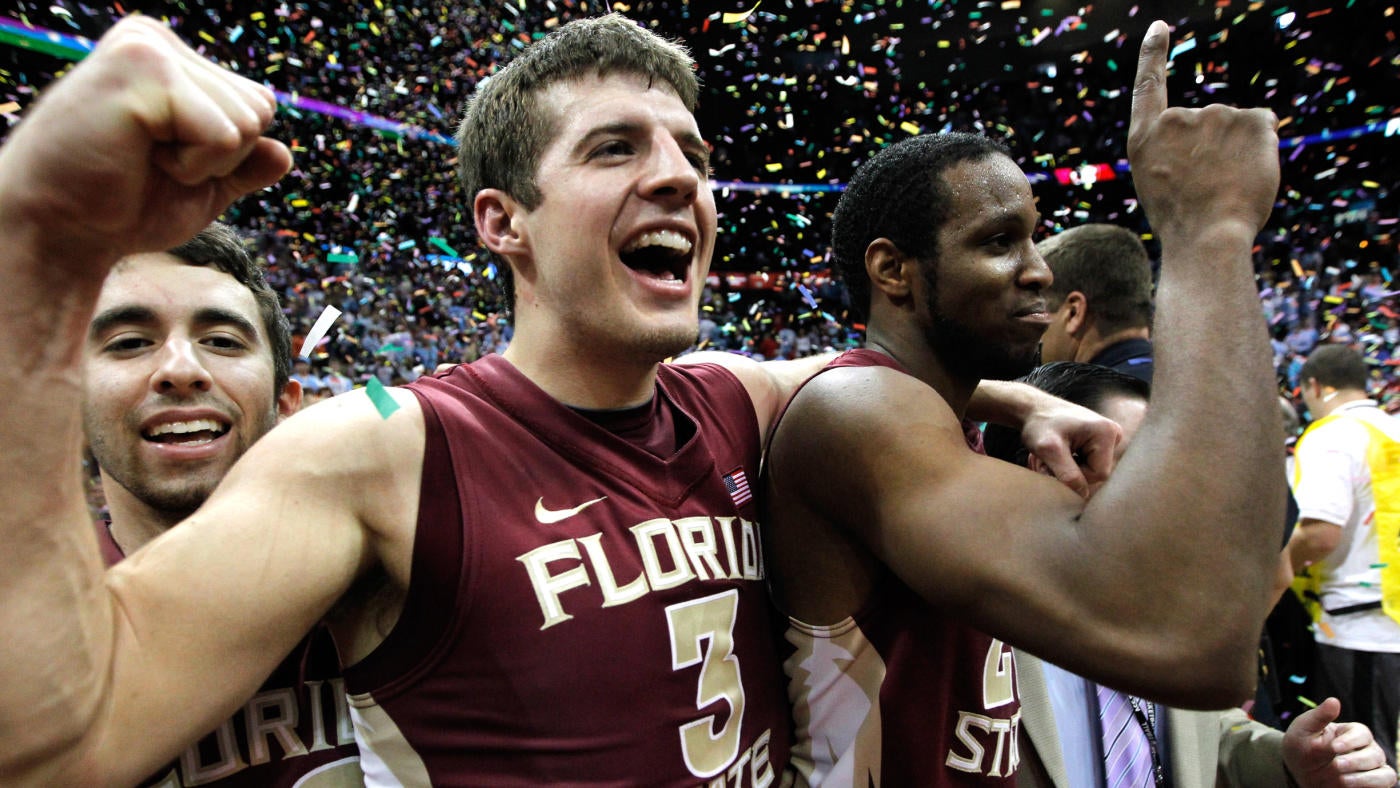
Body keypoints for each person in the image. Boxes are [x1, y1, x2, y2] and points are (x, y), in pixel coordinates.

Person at [0, 13, 1120, 786]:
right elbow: (68, 732)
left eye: (689, 147)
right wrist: (37, 244)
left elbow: (874, 375)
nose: (679, 174)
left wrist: (1025, 401)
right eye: (614, 148)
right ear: (501, 222)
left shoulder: (734, 395)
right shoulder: (380, 448)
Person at [763, 22, 1288, 785]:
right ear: (894, 270)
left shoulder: (937, 415)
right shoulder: (860, 410)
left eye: (1037, 238)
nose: (1040, 270)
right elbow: (1191, 637)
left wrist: (1010, 401)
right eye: (1000, 240)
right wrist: (1210, 228)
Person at [984, 362, 1396, 788]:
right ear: (1050, 466)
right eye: (1146, 466)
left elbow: (1208, 740)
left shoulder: (1169, 616)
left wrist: (1290, 762)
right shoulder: (968, 628)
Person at [83, 222, 362, 785]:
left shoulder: (401, 573)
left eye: (222, 341)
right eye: (131, 342)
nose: (181, 370)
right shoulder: (34, 626)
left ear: (287, 405)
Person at [1289, 344, 1400, 768]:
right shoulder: (1391, 428)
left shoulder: (1332, 435)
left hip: (1356, 624)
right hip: (1389, 615)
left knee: (1362, 761)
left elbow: (1319, 533)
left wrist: (1276, 571)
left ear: (1314, 386)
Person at [1036, 222, 1156, 382]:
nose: (1035, 338)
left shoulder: (1081, 401)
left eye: (1036, 311)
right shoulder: (1190, 384)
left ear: (1074, 312)